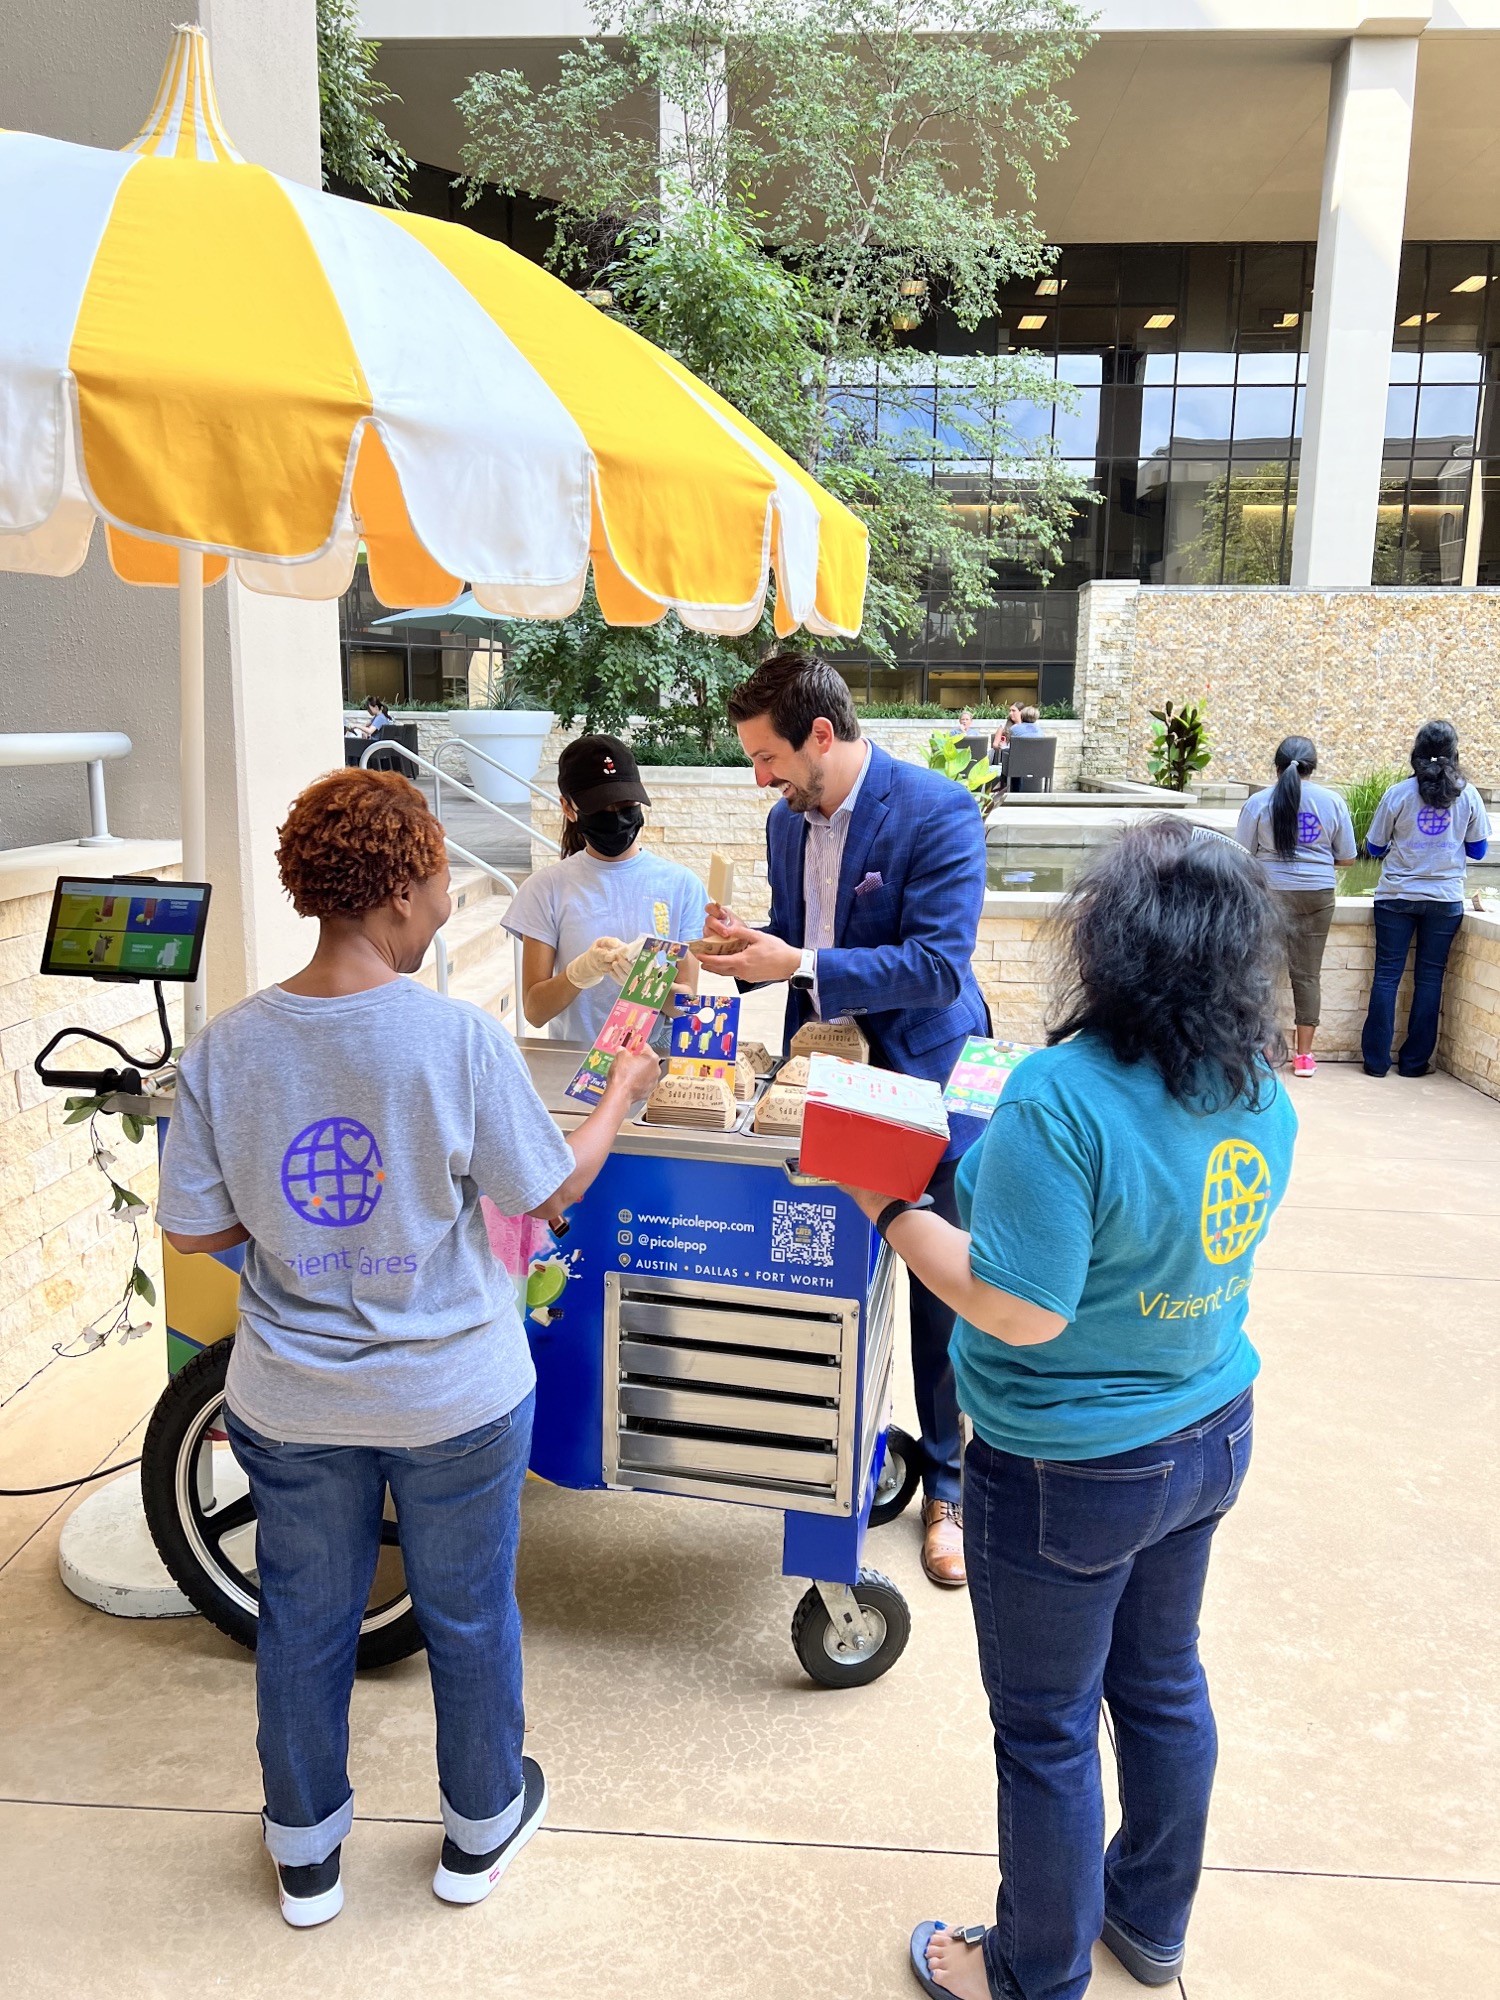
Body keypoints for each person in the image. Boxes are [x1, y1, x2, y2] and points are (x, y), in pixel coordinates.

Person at [155, 768, 660, 1929]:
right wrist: (624, 1087)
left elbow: (192, 1225)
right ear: (394, 890)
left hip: (293, 1398)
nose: (446, 901)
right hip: (455, 1397)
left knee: (303, 1618)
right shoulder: (454, 1039)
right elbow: (550, 1188)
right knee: (471, 1609)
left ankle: (306, 1856)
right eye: (438, 879)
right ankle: (479, 1829)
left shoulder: (228, 1047)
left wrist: (300, 1234)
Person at [838, 818, 1296, 2000]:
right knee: (1161, 1683)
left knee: (1046, 1729)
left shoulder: (1063, 1095)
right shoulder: (1256, 1086)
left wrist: (886, 1204)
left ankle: (1033, 1968)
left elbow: (1015, 1306)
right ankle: (1149, 1922)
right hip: (1209, 1429)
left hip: (1067, 1469)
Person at [706, 648, 990, 1588]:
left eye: (768, 758)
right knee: (830, 1268)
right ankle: (843, 1453)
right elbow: (801, 945)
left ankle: (950, 1486)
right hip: (824, 1073)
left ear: (820, 735)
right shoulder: (789, 826)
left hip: (922, 1071)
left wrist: (792, 963)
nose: (761, 778)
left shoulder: (938, 811)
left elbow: (939, 967)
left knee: (937, 1283)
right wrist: (752, 950)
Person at [503, 734, 707, 1043]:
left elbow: (687, 1007)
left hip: (652, 1066)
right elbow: (535, 1011)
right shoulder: (545, 890)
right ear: (568, 808)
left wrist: (647, 983)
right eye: (599, 807)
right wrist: (577, 974)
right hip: (573, 1068)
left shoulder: (681, 885)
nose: (616, 816)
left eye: (626, 803)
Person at [1360, 720, 1490, 1079]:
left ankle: (1375, 1063)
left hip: (1396, 897)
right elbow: (1479, 850)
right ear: (1454, 753)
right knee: (1429, 979)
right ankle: (1415, 1064)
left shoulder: (1398, 794)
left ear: (1416, 753)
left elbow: (1373, 846)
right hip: (1445, 900)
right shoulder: (1470, 795)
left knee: (1386, 977)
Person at [1234, 736, 1356, 1076]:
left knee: (1259, 973)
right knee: (1307, 975)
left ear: (1277, 767)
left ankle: (1263, 1051)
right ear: (1312, 767)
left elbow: (1240, 855)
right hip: (1317, 894)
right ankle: (1304, 1057)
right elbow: (1347, 858)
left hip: (1269, 894)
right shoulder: (1333, 802)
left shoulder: (1258, 803)